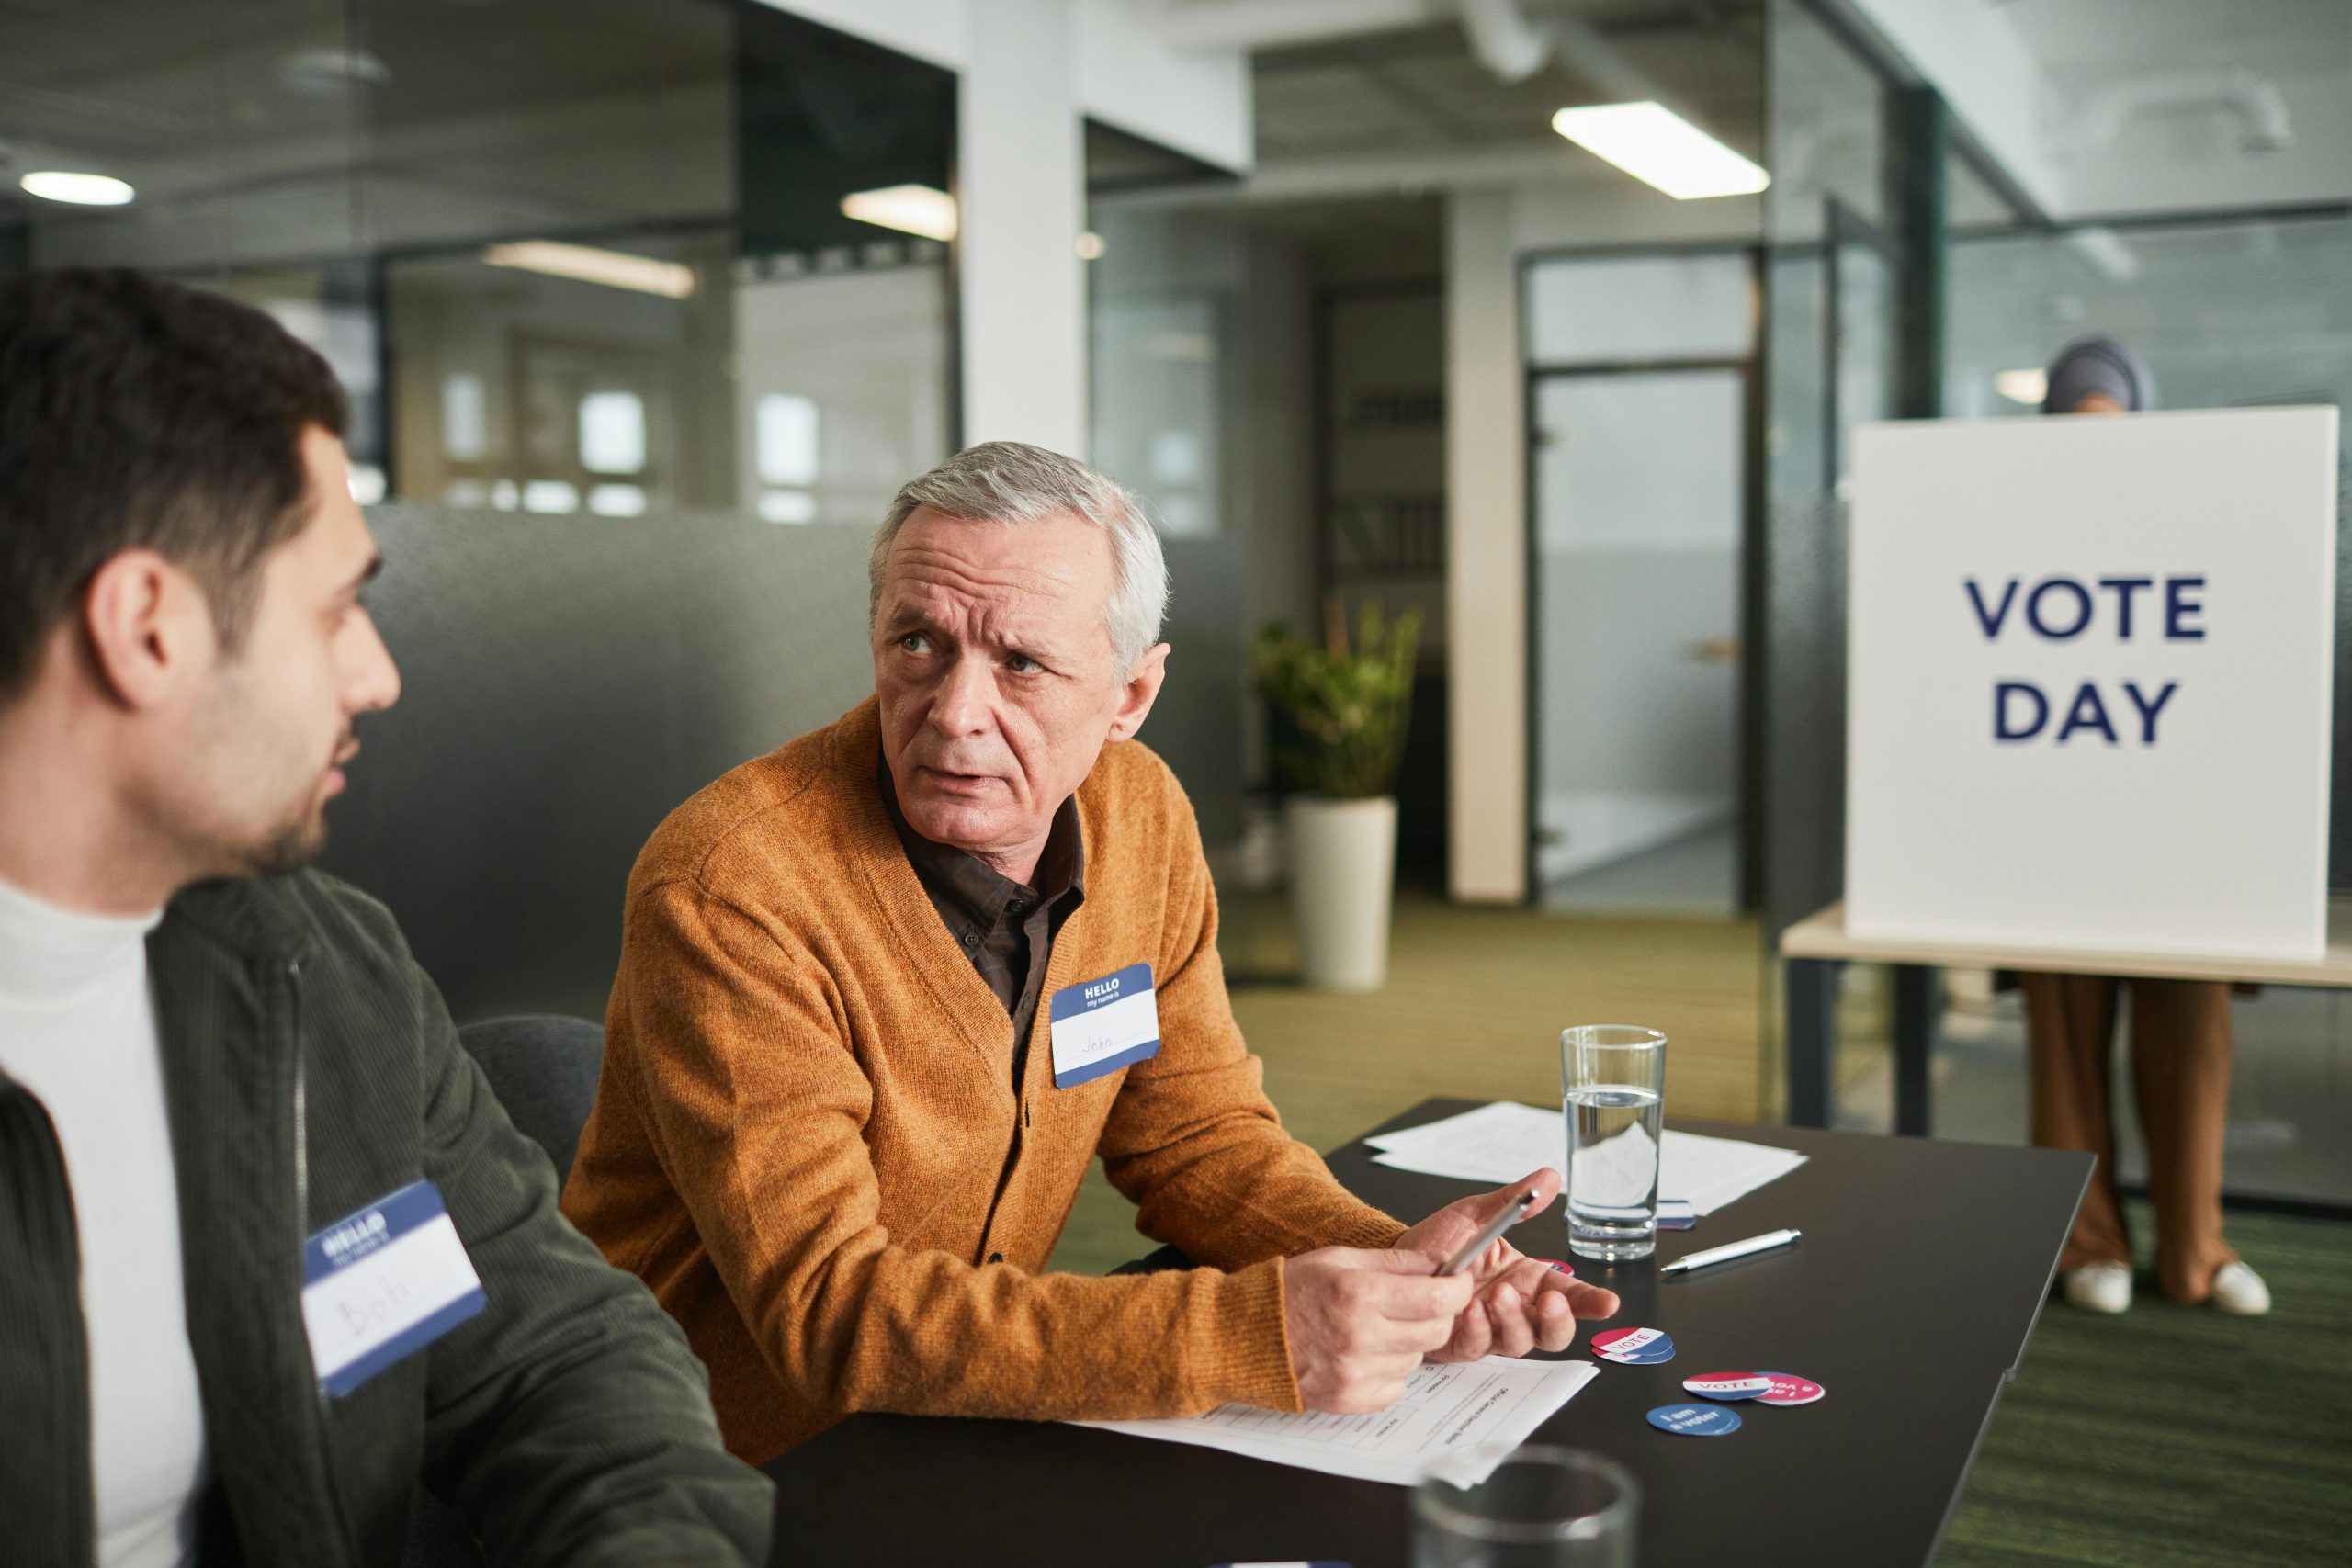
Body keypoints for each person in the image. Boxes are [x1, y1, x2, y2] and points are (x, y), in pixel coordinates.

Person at [561, 441, 1622, 1464]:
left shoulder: (1143, 816)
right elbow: (831, 1316)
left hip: (960, 1415)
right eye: (917, 643)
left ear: (1129, 697)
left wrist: (1399, 1268)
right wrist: (1252, 1335)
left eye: (1021, 662)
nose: (955, 714)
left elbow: (1197, 1142)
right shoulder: (735, 885)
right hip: (718, 1462)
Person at [0, 269, 772, 1566]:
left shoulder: (318, 964)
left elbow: (550, 1355)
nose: (379, 673)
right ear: (145, 628)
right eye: (336, 608)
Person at [2023, 335, 2268, 1318]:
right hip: (2057, 822)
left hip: (2184, 830)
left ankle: (2195, 1251)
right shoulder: (2019, 523)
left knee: (2191, 1039)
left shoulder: (2198, 517)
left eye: (2112, 427)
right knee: (2066, 1048)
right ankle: (2090, 1247)